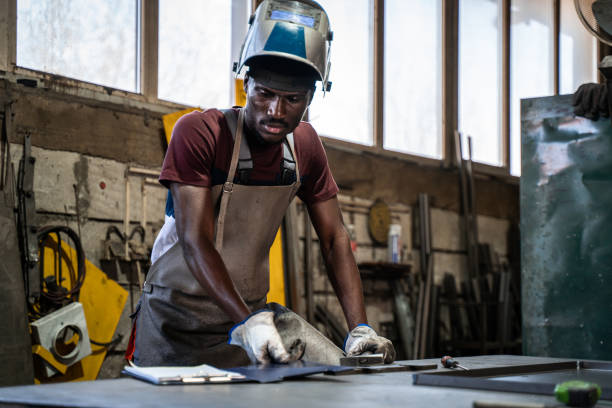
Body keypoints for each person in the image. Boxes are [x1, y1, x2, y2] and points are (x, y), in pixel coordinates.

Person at [126, 0, 395, 368]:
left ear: (311, 98)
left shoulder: (305, 149)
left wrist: (360, 328)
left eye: (292, 99)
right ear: (245, 81)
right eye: (264, 93)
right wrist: (247, 321)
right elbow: (195, 241)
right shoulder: (201, 134)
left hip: (257, 326)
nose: (275, 111)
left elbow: (334, 240)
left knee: (344, 376)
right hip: (177, 326)